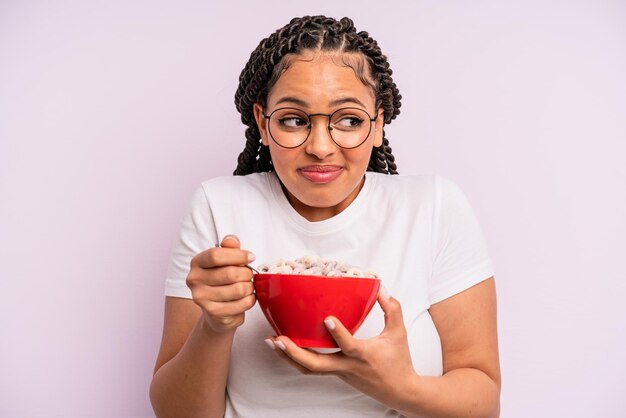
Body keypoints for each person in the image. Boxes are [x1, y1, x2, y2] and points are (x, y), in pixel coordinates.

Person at [149, 15, 501, 418]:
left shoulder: (434, 206)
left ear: (379, 123)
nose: (320, 147)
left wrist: (398, 387)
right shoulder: (218, 206)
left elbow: (484, 404)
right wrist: (215, 325)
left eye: (349, 120)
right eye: (294, 120)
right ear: (263, 123)